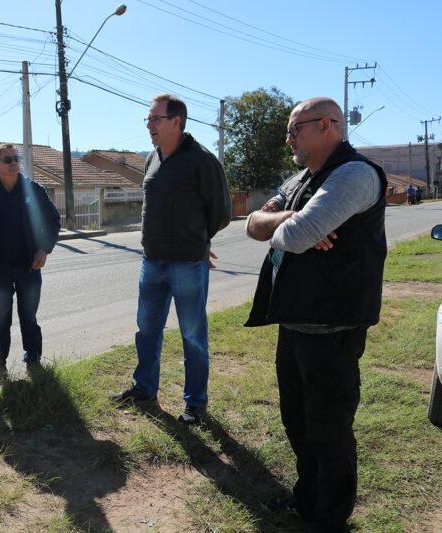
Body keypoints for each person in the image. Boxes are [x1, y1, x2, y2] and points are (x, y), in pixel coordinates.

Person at [245, 97, 386, 532]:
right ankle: (307, 500)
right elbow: (252, 225)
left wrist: (295, 225)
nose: (288, 138)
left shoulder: (354, 174)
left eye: (295, 130)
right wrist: (293, 217)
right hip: (295, 322)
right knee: (297, 422)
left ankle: (331, 518)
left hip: (334, 327)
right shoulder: (300, 180)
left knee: (329, 430)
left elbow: (300, 236)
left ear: (327, 125)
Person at [109, 94, 231, 425]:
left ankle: (195, 403)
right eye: (148, 119)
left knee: (192, 334)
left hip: (187, 263)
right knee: (147, 329)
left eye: (154, 119)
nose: (148, 125)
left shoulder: (203, 161)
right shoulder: (152, 158)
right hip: (151, 262)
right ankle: (144, 388)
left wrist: (198, 243)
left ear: (176, 122)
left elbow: (221, 212)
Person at [0, 144, 61, 384]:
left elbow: (52, 220)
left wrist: (43, 249)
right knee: (0, 318)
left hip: (29, 266)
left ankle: (34, 360)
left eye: (16, 158)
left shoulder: (33, 190)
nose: (14, 162)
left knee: (29, 317)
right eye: (8, 159)